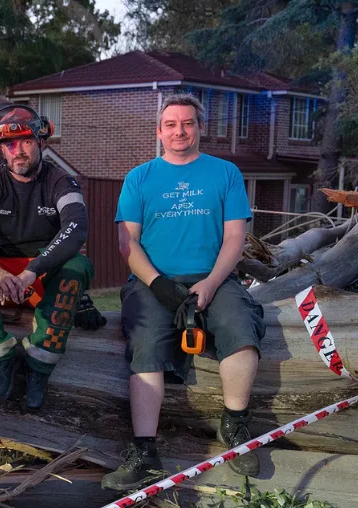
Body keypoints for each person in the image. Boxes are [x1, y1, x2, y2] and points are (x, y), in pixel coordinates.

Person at [101, 94, 265, 491]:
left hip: (215, 276)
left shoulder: (225, 173)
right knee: (145, 345)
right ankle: (144, 452)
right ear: (159, 132)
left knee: (240, 328)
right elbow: (128, 244)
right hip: (152, 280)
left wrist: (209, 284)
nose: (179, 131)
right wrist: (159, 285)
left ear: (200, 128)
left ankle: (235, 426)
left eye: (187, 123)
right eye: (171, 124)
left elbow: (234, 238)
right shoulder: (139, 178)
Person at [0, 104, 92, 412]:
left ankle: (38, 369)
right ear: (2, 149)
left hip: (42, 276)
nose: (18, 151)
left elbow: (76, 229)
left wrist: (32, 271)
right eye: (9, 144)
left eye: (25, 141)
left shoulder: (61, 182)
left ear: (41, 142)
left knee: (78, 266)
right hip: (1, 279)